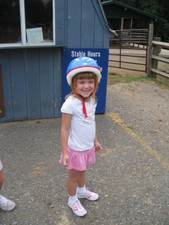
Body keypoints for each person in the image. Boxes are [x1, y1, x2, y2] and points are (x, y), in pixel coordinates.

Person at [60, 56, 102, 217]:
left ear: (95, 83)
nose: (86, 86)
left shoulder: (92, 100)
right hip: (75, 149)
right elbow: (64, 129)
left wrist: (95, 140)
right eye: (81, 82)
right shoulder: (70, 104)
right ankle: (72, 199)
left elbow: (91, 122)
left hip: (87, 147)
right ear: (74, 84)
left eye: (90, 81)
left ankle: (82, 191)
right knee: (73, 175)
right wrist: (65, 153)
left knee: (82, 171)